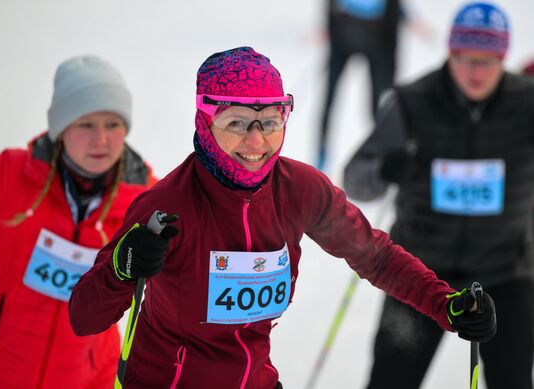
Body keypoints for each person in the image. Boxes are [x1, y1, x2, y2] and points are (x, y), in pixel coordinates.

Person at [69, 46, 496, 389]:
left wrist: (446, 304)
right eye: (236, 122)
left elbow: (376, 257)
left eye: (270, 120)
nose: (257, 141)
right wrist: (123, 266)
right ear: (205, 121)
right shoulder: (168, 207)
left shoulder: (298, 190)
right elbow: (84, 317)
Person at [344, 2, 533, 388]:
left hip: (506, 272)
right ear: (450, 52)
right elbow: (355, 180)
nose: (476, 72)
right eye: (465, 58)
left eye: (488, 61)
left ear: (503, 58)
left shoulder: (527, 104)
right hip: (418, 272)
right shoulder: (411, 102)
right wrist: (384, 169)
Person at [0, 55, 156, 388]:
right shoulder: (8, 176)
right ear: (61, 130)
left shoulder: (145, 203)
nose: (101, 139)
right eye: (86, 124)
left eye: (112, 124)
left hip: (88, 379)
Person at [316, 0, 402, 170]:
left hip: (376, 39)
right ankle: (321, 154)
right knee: (329, 100)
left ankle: (380, 158)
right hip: (342, 37)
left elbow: (394, 13)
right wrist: (330, 29)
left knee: (377, 107)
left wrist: (391, 66)